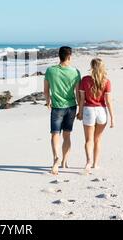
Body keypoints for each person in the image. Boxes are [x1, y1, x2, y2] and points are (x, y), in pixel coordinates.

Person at [44, 46, 81, 175]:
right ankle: (65, 161)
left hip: (57, 107)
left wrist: (48, 101)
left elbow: (46, 90)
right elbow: (78, 93)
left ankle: (56, 158)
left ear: (59, 56)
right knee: (67, 135)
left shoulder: (50, 71)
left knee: (55, 134)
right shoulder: (75, 72)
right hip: (71, 107)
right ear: (69, 56)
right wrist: (80, 109)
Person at [77, 58, 115, 171]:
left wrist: (80, 112)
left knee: (88, 140)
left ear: (92, 67)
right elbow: (108, 101)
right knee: (97, 139)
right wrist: (113, 118)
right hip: (102, 112)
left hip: (88, 110)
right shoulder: (106, 81)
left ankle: (88, 161)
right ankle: (95, 164)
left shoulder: (84, 80)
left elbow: (82, 99)